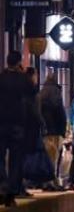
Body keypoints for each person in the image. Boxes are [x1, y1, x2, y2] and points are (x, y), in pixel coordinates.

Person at [0, 52, 36, 207]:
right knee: (16, 159)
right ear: (19, 62)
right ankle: (11, 192)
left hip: (1, 122)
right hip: (18, 124)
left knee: (0, 157)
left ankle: (2, 185)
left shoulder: (1, 78)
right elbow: (33, 94)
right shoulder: (24, 79)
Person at [39, 72, 67, 191]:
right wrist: (63, 129)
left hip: (44, 130)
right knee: (53, 157)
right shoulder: (55, 92)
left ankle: (46, 181)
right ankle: (52, 181)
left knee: (46, 156)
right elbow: (60, 112)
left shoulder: (42, 92)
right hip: (54, 130)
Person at [21, 66, 43, 195]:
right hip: (30, 128)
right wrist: (41, 122)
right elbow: (35, 111)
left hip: (20, 126)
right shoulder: (32, 91)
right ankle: (26, 181)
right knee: (28, 155)